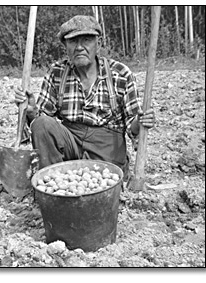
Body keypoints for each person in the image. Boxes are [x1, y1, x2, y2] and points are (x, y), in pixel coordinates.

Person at [14, 15, 155, 181]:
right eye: (73, 41)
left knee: (101, 186)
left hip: (107, 154)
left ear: (99, 44)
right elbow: (43, 126)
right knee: (42, 124)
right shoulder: (57, 74)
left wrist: (141, 120)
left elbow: (133, 128)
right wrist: (31, 112)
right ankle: (54, 184)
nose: (79, 47)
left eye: (86, 40)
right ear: (65, 46)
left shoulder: (120, 74)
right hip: (71, 146)